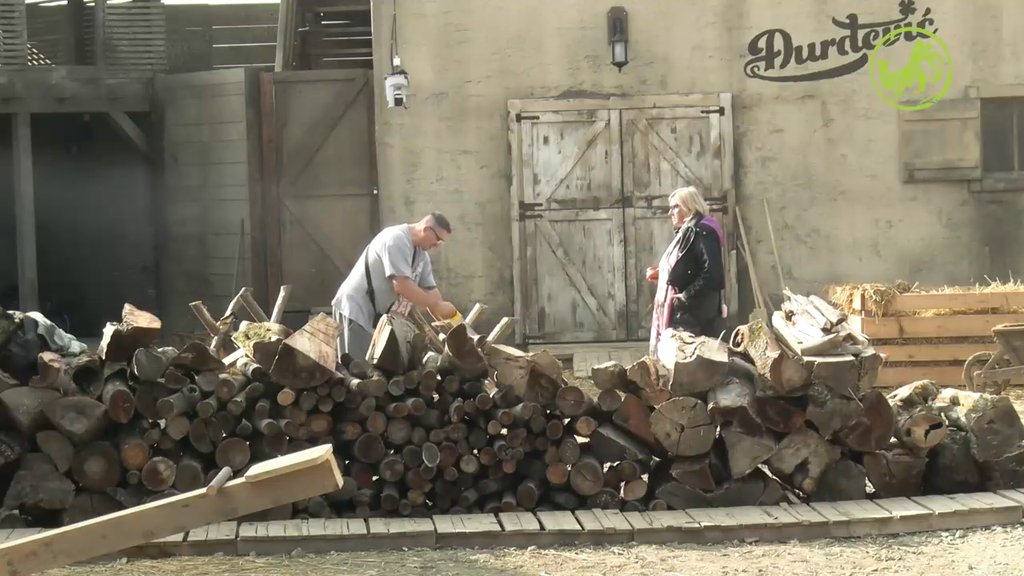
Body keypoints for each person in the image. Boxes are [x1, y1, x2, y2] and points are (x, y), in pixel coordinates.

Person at [331, 212, 459, 362]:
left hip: (378, 317)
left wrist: (450, 319)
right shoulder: (396, 239)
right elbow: (402, 286)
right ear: (426, 229)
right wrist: (435, 304)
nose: (437, 245)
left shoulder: (421, 256)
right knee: (357, 369)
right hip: (356, 310)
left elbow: (432, 292)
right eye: (438, 239)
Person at [646, 186, 726, 355]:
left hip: (695, 314)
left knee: (693, 364)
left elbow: (712, 273)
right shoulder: (688, 231)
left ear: (690, 206)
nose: (670, 213)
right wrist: (665, 273)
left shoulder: (703, 231)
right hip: (688, 313)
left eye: (675, 207)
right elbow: (691, 266)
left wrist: (686, 295)